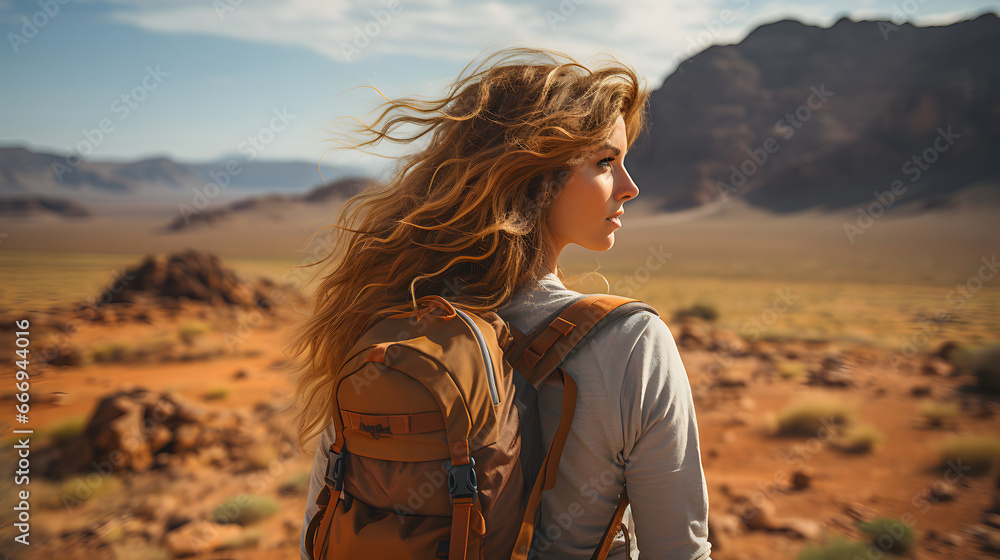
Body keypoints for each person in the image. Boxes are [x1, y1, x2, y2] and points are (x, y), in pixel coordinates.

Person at [288, 47, 711, 560]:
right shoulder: (632, 343)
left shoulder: (391, 328)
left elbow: (322, 525)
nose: (630, 187)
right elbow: (679, 551)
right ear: (534, 174)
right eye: (605, 162)